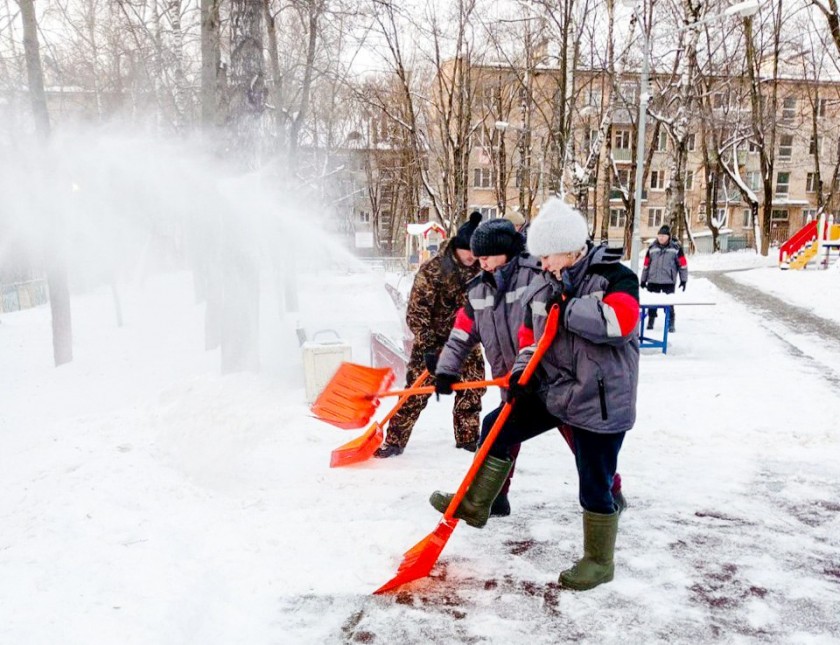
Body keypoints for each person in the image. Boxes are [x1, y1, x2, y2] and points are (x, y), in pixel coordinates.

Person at [429, 198, 639, 591]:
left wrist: (568, 309)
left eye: (547, 256)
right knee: (498, 425)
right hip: (554, 389)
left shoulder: (614, 276)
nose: (541, 264)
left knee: (592, 475)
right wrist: (522, 373)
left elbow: (620, 323)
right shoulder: (548, 285)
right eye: (538, 257)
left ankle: (599, 560)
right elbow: (531, 337)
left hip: (600, 399)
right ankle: (479, 503)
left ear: (569, 248)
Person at [374, 211, 485, 458]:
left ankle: (467, 441)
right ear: (457, 247)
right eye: (468, 250)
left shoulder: (482, 269)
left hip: (467, 343)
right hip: (433, 342)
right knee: (415, 393)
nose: (472, 256)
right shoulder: (434, 270)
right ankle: (394, 441)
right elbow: (416, 313)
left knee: (472, 392)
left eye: (476, 251)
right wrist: (428, 348)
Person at [640, 224, 688, 332]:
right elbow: (646, 265)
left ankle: (671, 322)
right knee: (651, 303)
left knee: (669, 304)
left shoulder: (676, 248)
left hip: (668, 280)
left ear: (668, 237)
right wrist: (643, 280)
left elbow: (683, 265)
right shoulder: (652, 248)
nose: (661, 238)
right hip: (653, 280)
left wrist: (683, 280)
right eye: (659, 235)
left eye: (663, 236)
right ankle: (651, 320)